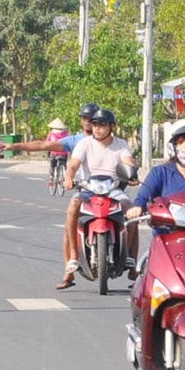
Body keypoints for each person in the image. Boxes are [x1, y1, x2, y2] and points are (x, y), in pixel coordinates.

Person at [54, 106, 135, 289]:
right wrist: (68, 178)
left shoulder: (121, 144)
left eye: (102, 125)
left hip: (113, 189)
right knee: (73, 205)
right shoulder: (85, 143)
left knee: (131, 211)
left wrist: (131, 174)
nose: (97, 128)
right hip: (88, 189)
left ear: (111, 127)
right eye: (95, 124)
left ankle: (130, 260)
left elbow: (128, 162)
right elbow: (73, 165)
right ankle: (72, 262)